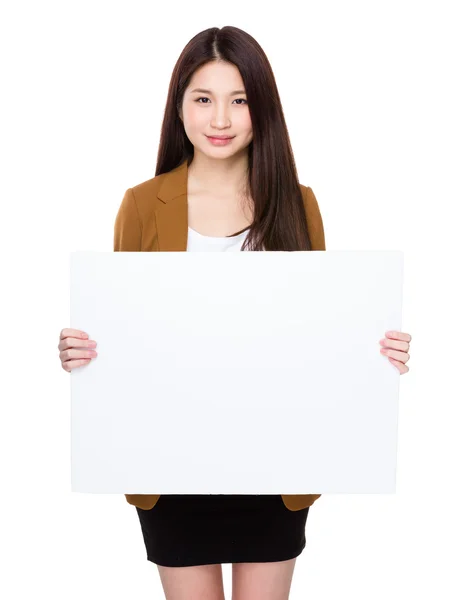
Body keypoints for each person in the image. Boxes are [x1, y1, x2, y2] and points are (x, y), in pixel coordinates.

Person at [58, 25, 412, 600]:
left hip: (275, 458)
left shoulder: (296, 203)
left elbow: (318, 329)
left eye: (239, 99)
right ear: (180, 109)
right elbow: (122, 328)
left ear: (262, 109)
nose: (220, 119)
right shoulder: (143, 205)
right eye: (203, 99)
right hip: (169, 458)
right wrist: (85, 353)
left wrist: (373, 352)